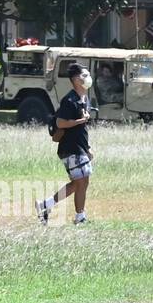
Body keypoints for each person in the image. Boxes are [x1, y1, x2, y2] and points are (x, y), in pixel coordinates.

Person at [36, 62, 94, 225]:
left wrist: (88, 147)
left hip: (80, 147)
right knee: (81, 181)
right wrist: (77, 121)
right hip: (70, 148)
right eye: (84, 75)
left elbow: (82, 127)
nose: (88, 78)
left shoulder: (84, 98)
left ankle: (46, 205)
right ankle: (79, 217)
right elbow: (61, 123)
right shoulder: (70, 100)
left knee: (82, 181)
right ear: (76, 80)